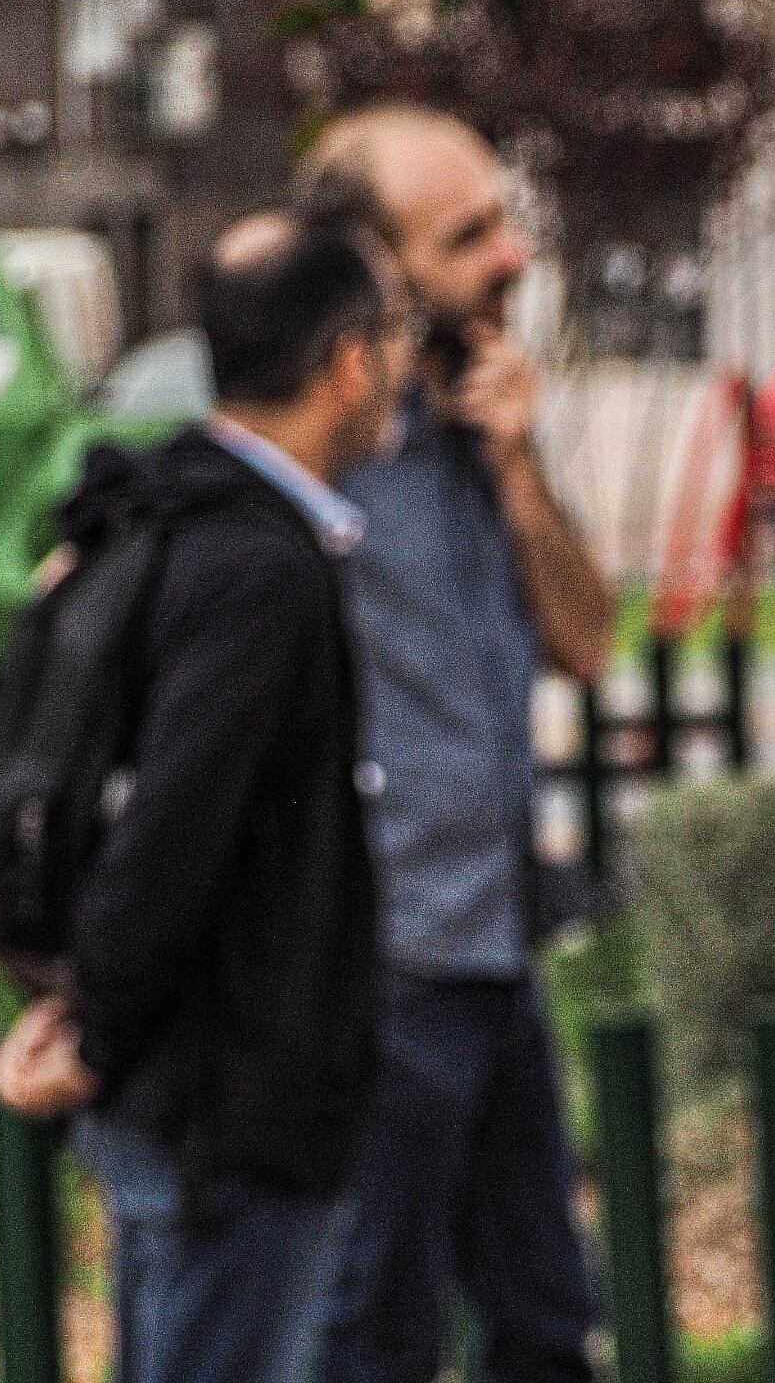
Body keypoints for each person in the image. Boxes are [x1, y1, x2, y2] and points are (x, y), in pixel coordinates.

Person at [0, 211, 413, 1383]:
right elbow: (172, 837)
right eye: (393, 337)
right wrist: (101, 1034)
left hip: (183, 1100)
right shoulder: (258, 566)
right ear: (348, 363)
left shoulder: (161, 515)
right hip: (225, 1114)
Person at [294, 104, 615, 1383]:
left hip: (493, 947)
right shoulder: (323, 454)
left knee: (546, 1324)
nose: (511, 257)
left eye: (503, 223)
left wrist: (520, 465)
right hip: (377, 966)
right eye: (467, 235)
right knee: (372, 1336)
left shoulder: (481, 427)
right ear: (374, 267)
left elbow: (587, 642)